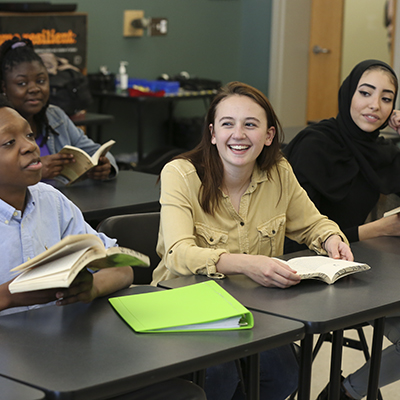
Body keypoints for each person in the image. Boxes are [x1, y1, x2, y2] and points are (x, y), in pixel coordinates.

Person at [151, 81, 354, 400]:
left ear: (269, 135)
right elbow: (178, 253)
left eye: (251, 125)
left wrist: (330, 239)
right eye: (227, 124)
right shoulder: (180, 174)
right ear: (213, 133)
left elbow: (312, 223)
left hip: (254, 309)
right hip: (184, 307)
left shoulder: (279, 172)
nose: (239, 135)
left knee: (287, 375)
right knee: (219, 373)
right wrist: (245, 264)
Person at [0, 97, 206, 400]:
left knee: (185, 394)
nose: (30, 146)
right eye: (8, 142)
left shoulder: (51, 200)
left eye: (30, 135)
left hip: (67, 351)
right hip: (11, 364)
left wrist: (91, 288)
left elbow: (122, 268)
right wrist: (9, 295)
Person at [283, 60, 400, 399]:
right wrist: (373, 230)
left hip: (357, 270)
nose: (375, 105)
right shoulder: (315, 143)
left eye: (387, 98)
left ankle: (345, 392)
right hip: (304, 273)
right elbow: (295, 238)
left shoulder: (379, 150)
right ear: (348, 93)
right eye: (365, 93)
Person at [0, 36, 118, 182]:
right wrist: (35, 171)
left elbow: (93, 150)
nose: (34, 89)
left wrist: (106, 166)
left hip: (63, 202)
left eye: (41, 81)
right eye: (22, 83)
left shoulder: (55, 116)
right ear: (4, 87)